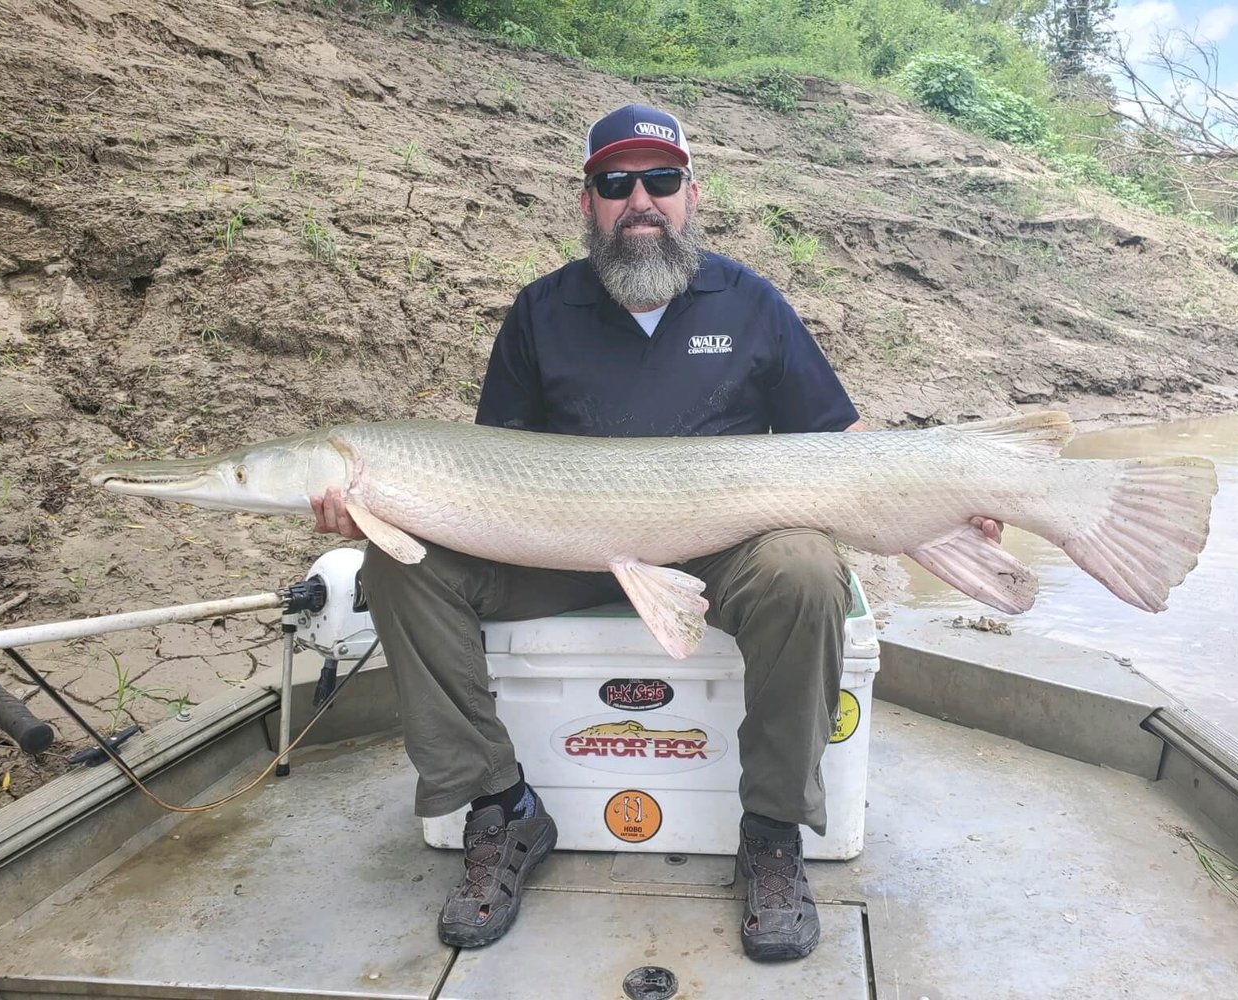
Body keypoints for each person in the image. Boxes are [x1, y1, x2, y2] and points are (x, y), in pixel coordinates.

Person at [313, 103, 1002, 961]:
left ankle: (772, 832)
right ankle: (501, 809)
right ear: (588, 202)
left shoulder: (750, 302)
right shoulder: (538, 311)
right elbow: (487, 462)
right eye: (616, 182)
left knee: (805, 568)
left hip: (716, 543)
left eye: (660, 179)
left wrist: (946, 491)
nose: (640, 198)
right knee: (396, 566)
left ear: (690, 194)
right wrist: (371, 506)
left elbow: (838, 438)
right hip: (558, 548)